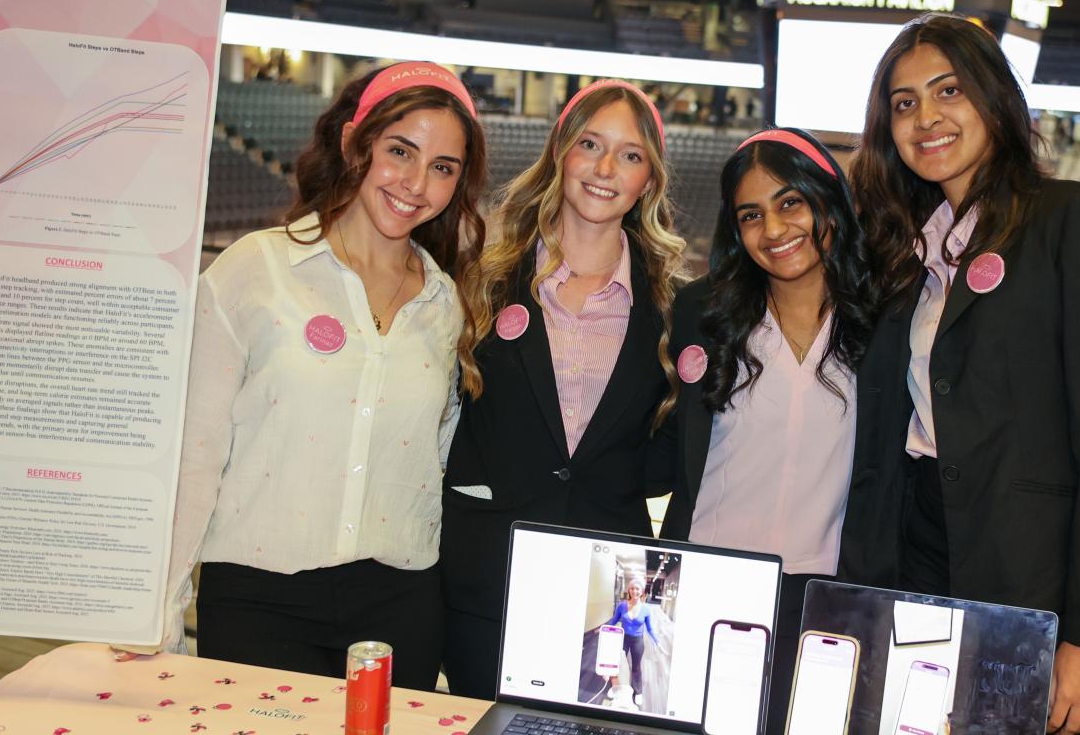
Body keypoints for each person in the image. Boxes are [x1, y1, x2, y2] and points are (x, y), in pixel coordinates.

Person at [842, 13, 1080, 735]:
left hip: (1030, 571)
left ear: (994, 98)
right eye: (903, 103)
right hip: (916, 547)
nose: (926, 117)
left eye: (947, 90)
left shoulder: (1078, 221)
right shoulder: (905, 250)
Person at [155, 62, 487, 689]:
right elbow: (194, 459)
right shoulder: (257, 269)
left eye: (442, 168)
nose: (416, 183)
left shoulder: (447, 305)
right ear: (352, 143)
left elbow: (434, 464)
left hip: (401, 608)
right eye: (399, 152)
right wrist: (161, 614)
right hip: (258, 599)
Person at [440, 78, 689, 699]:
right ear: (561, 155)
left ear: (648, 181)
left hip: (607, 595)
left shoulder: (674, 308)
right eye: (590, 145)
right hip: (485, 579)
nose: (606, 169)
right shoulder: (485, 278)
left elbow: (666, 453)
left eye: (631, 155)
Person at [652, 127, 874, 734]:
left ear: (827, 201)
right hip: (705, 581)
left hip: (830, 597)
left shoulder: (881, 317)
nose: (774, 230)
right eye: (752, 214)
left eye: (790, 203)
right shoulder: (703, 310)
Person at [606, 575, 660, 706]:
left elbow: (650, 628)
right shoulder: (621, 606)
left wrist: (657, 641)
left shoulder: (646, 609)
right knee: (616, 664)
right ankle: (615, 687)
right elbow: (613, 621)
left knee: (636, 667)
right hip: (623, 638)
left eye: (637, 589)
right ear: (629, 590)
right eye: (632, 588)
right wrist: (603, 630)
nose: (634, 591)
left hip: (637, 641)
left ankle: (638, 691)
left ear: (641, 591)